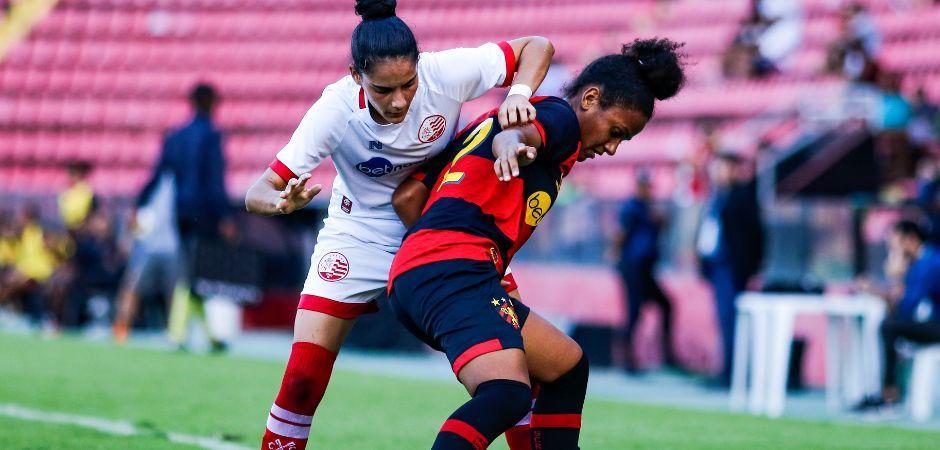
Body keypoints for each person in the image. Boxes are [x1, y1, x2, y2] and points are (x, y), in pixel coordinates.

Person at [243, 1, 555, 448]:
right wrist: (279, 203)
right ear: (356, 77)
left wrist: (518, 96)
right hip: (358, 234)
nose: (400, 101)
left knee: (515, 373)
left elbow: (537, 47)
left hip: (445, 231)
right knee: (302, 380)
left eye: (408, 85)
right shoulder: (333, 109)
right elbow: (258, 190)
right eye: (383, 90)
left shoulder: (444, 73)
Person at [388, 38, 686, 449]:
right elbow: (519, 134)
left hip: (426, 273)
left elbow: (406, 197)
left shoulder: (485, 124)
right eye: (616, 131)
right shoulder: (559, 119)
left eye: (624, 140)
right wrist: (512, 144)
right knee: (507, 393)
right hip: (453, 270)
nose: (613, 147)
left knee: (566, 367)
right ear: (591, 98)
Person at [136, 82, 235, 351]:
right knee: (192, 274)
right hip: (204, 214)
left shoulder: (176, 136)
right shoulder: (212, 135)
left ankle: (211, 336)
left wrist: (139, 203)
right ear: (209, 102)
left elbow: (157, 175)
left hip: (180, 213)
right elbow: (215, 181)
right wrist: (225, 216)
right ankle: (177, 333)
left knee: (193, 271)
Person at [696, 152, 764, 388]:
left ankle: (732, 374)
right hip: (717, 266)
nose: (717, 172)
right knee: (724, 321)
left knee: (731, 321)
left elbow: (755, 236)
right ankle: (726, 370)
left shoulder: (742, 196)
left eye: (722, 167)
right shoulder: (718, 196)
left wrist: (751, 268)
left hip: (732, 268)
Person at [857, 220, 940, 411]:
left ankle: (889, 393)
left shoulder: (929, 263)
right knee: (890, 326)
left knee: (889, 327)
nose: (893, 251)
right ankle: (888, 390)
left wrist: (892, 278)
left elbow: (906, 307)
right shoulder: (924, 260)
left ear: (910, 239)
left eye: (895, 245)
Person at [612, 173, 678, 374]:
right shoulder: (632, 207)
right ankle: (627, 360)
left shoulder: (648, 208)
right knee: (634, 311)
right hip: (633, 267)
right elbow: (620, 234)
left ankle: (666, 355)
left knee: (665, 305)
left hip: (646, 268)